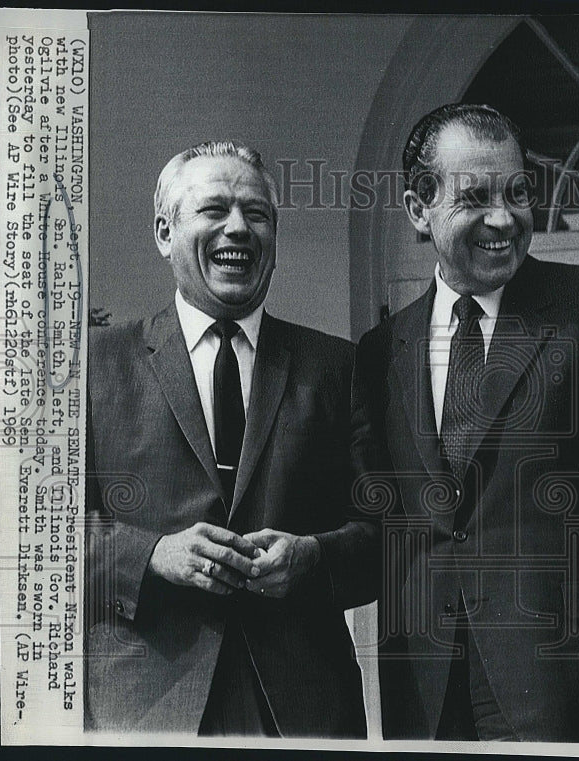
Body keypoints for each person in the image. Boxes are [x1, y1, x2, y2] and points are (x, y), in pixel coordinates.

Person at [353, 103, 579, 743]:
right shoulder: (382, 352)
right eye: (475, 197)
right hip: (426, 692)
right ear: (417, 210)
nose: (503, 218)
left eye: (517, 193)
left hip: (572, 686)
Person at [85, 141, 376, 736]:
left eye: (258, 214)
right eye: (214, 210)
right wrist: (151, 555)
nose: (238, 228)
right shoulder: (93, 366)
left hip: (302, 708)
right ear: (166, 233)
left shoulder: (338, 368)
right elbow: (30, 534)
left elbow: (386, 534)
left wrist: (315, 557)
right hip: (146, 707)